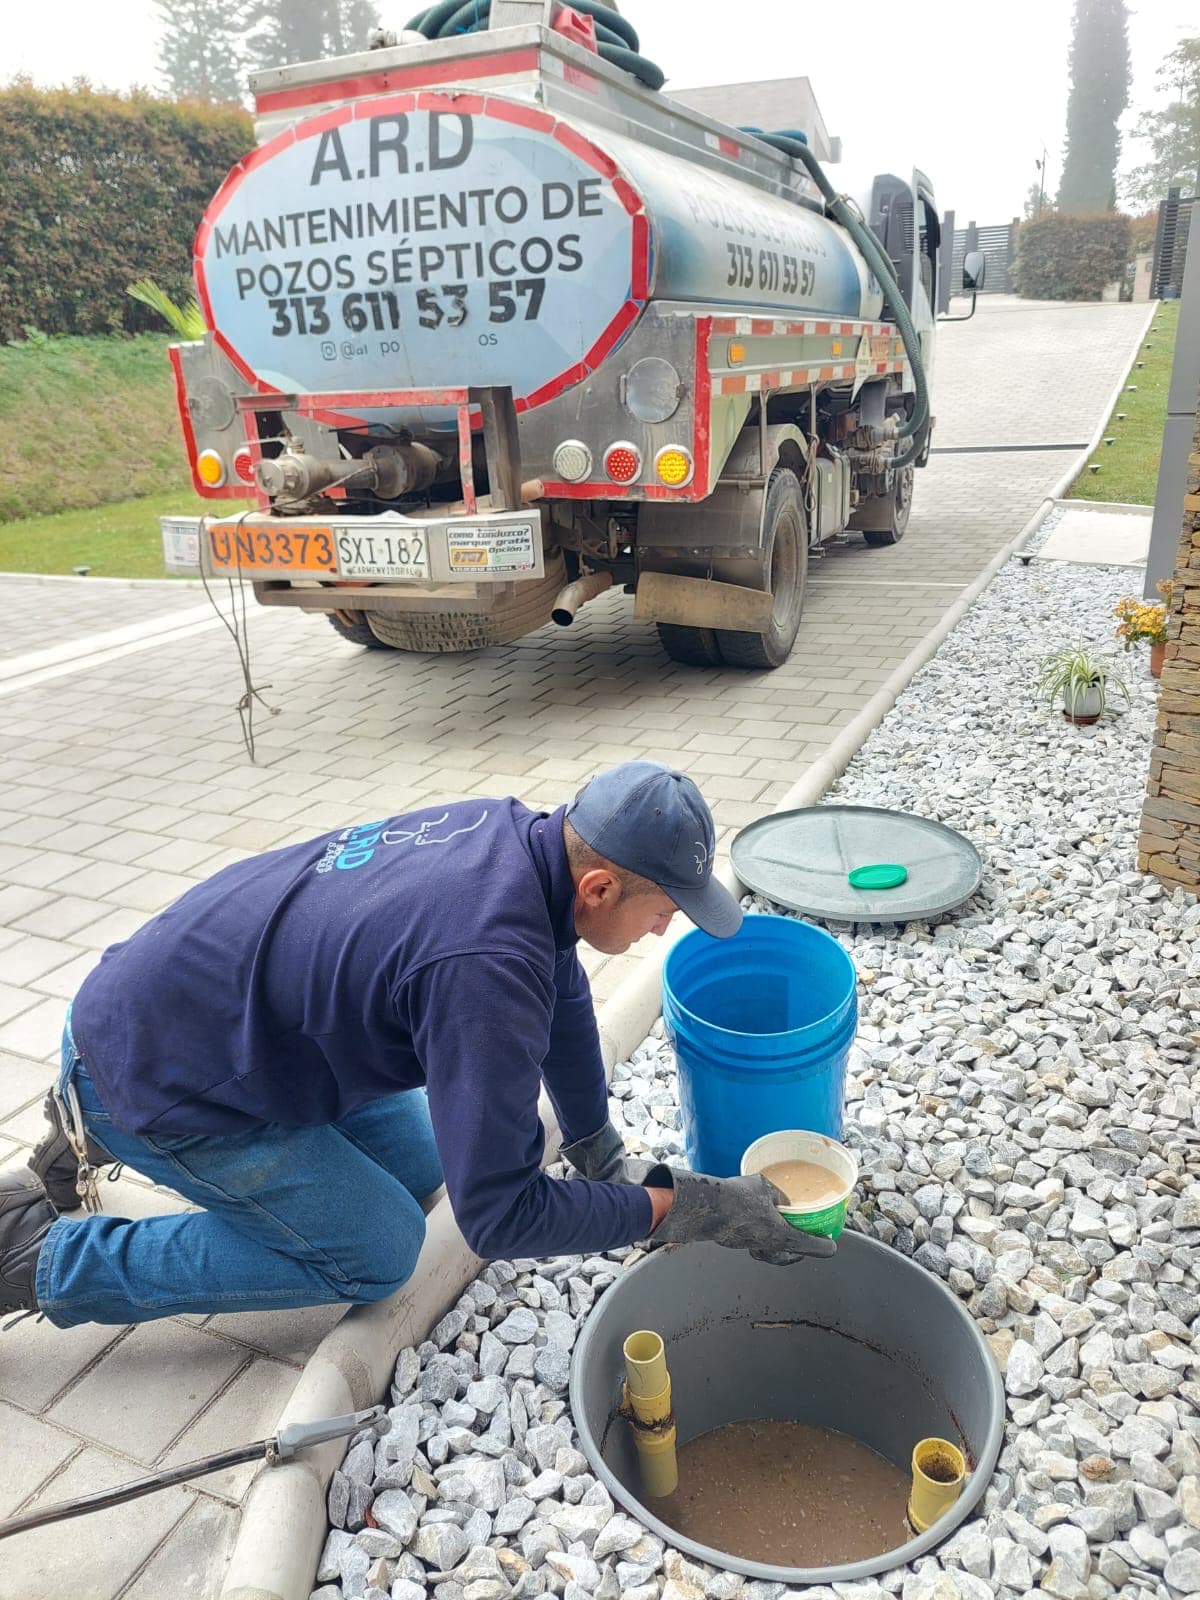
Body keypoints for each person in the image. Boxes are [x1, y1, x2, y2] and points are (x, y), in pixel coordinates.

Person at [0, 761, 830, 1326]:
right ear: (599, 886)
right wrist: (680, 1209)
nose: (665, 927)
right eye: (665, 909)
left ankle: (90, 1124)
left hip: (180, 1010)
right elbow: (501, 1215)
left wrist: (596, 1145)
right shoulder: (484, 964)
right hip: (151, 1075)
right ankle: (47, 1256)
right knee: (379, 1250)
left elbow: (564, 992)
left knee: (431, 1155)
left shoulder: (517, 840)